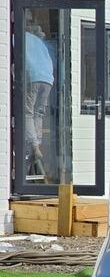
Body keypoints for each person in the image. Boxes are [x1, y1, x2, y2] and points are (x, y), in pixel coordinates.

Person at [24, 23, 54, 178]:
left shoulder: (21, 37)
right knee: (38, 114)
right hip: (48, 78)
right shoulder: (40, 42)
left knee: (27, 113)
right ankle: (37, 143)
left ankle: (34, 146)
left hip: (33, 76)